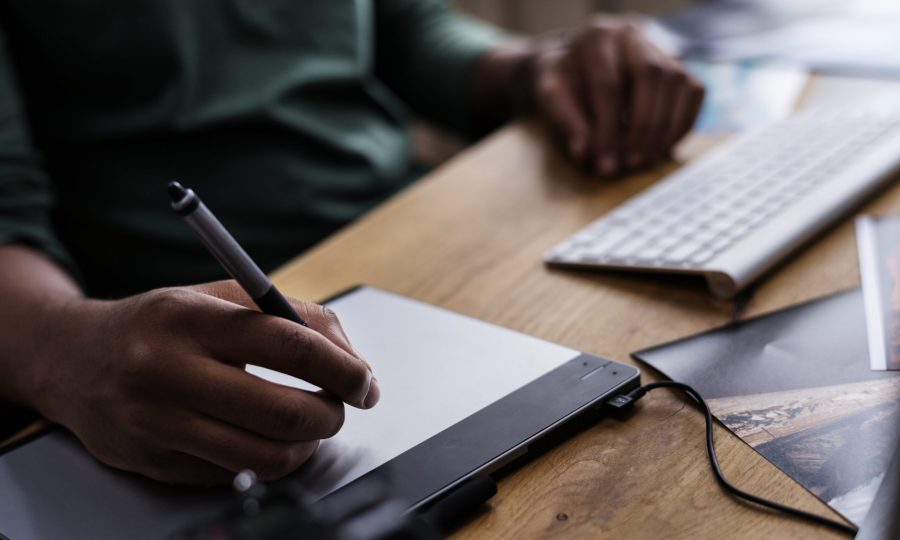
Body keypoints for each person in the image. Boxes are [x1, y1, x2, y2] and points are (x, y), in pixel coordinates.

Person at [0, 1, 703, 484]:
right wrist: (58, 351)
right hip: (202, 351)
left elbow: (408, 30)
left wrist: (537, 67)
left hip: (420, 247)